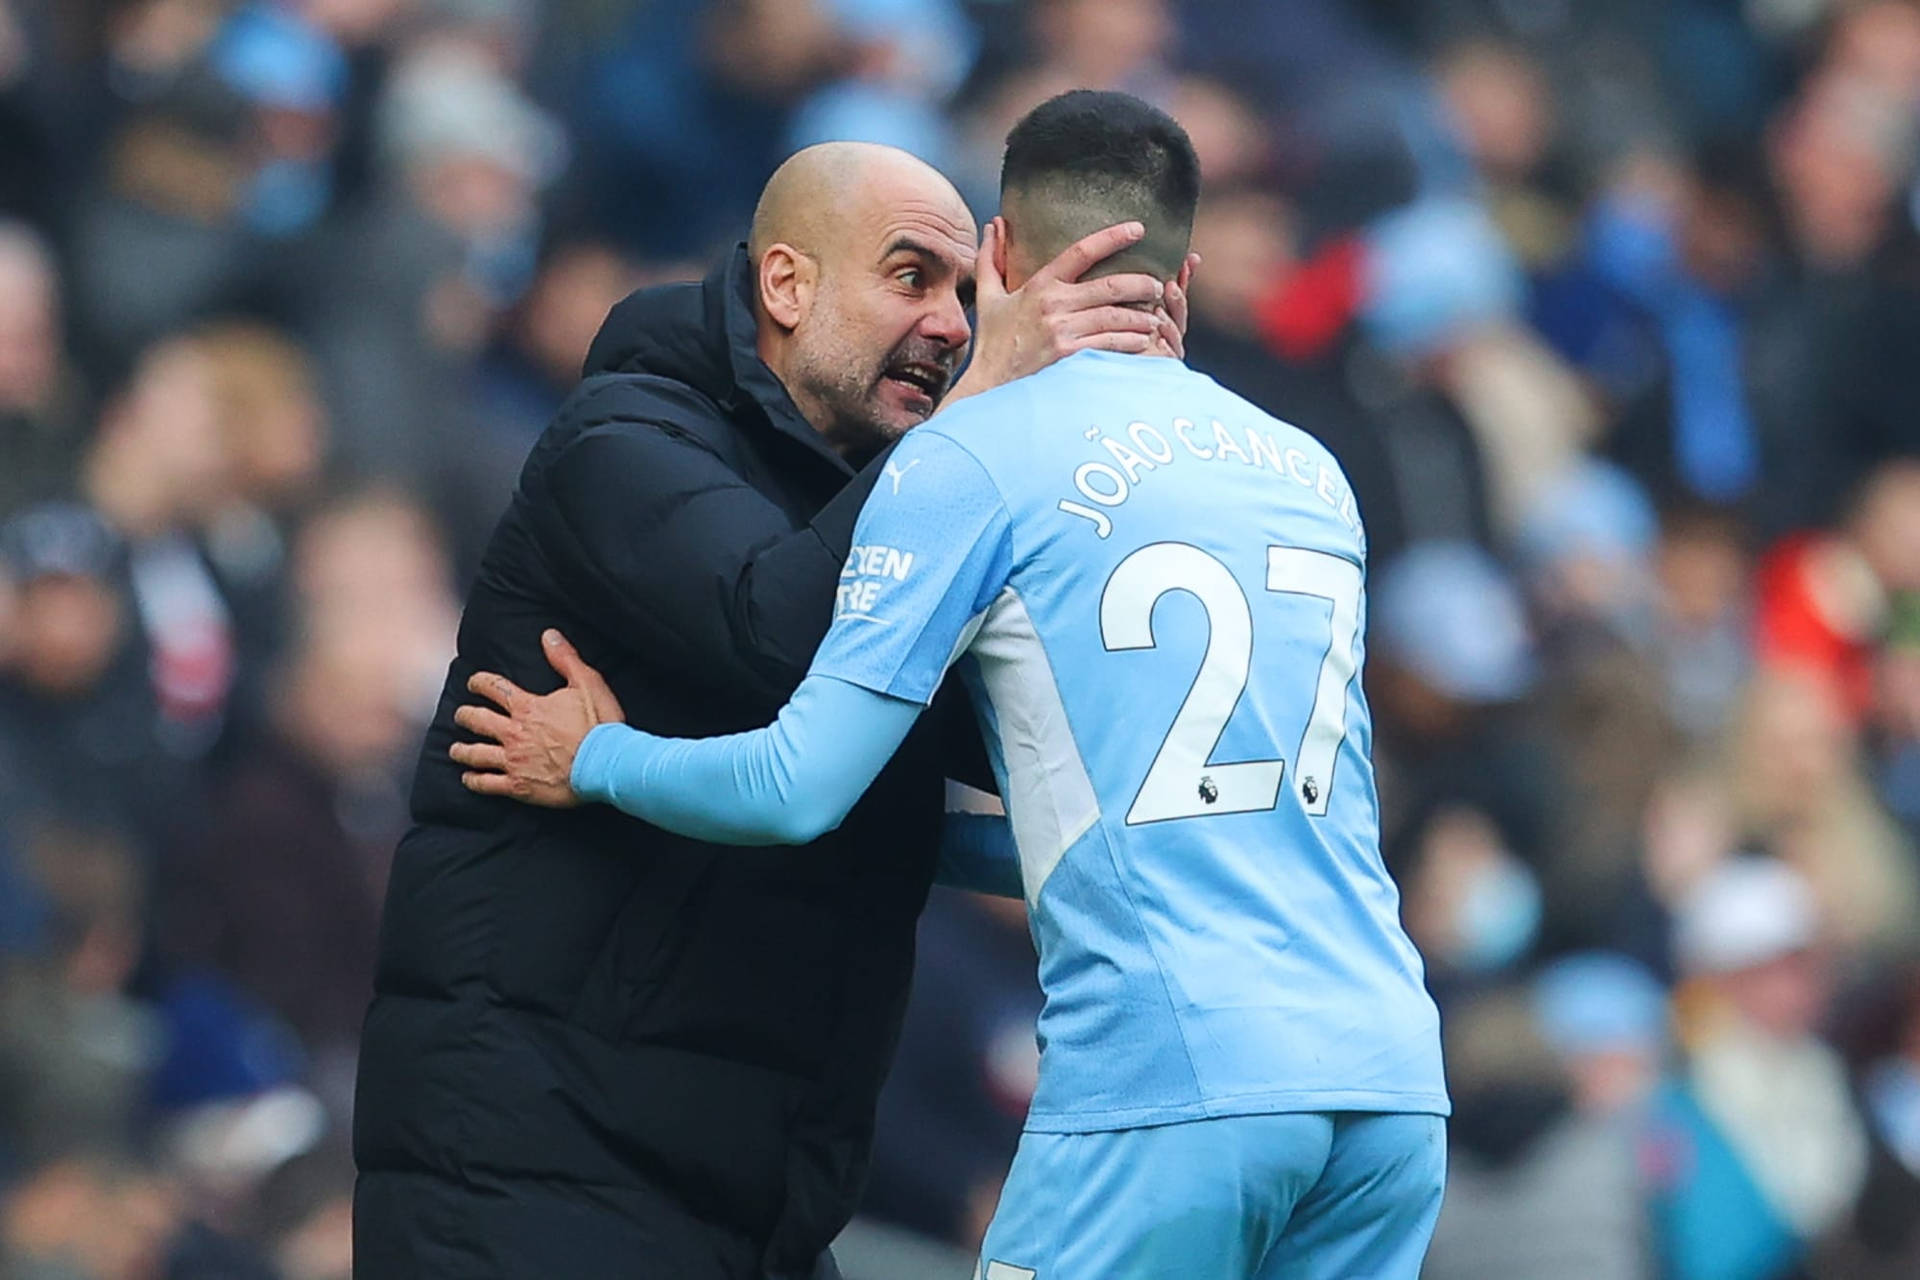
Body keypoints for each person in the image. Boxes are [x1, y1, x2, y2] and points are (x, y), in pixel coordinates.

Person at [454, 92, 1447, 1279]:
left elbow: (792, 787)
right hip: (1389, 1085)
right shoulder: (1309, 472)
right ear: (1183, 279)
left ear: (1000, 257)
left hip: (1174, 1083)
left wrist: (597, 759)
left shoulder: (971, 457)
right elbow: (1148, 817)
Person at [352, 136, 1186, 1280]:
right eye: (910, 277)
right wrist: (988, 413)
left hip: (758, 1195)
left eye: (963, 292)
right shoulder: (621, 440)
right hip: (532, 1171)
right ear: (786, 285)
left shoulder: (893, 501)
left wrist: (1128, 450)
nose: (952, 325)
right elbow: (783, 633)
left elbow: (1045, 739)